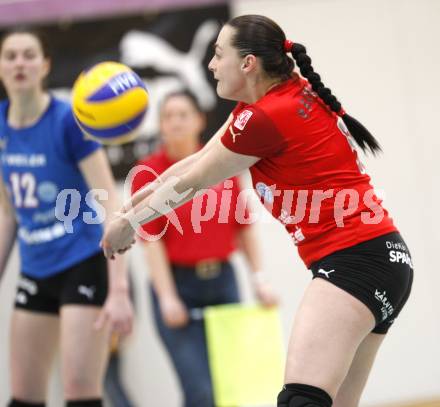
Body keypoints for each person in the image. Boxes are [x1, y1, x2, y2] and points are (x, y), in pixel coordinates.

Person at [102, 14, 414, 407]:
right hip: (383, 260)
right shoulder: (279, 97)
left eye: (218, 55)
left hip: (356, 262)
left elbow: (193, 183)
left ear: (247, 63)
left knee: (300, 399)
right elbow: (196, 161)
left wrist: (131, 225)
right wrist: (127, 209)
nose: (212, 65)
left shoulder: (265, 116)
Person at [0, 28, 133, 407]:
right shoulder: (0, 127)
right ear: (0, 67)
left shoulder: (67, 121)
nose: (19, 63)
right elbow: (8, 213)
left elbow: (112, 205)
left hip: (83, 262)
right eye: (10, 56)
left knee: (79, 391)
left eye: (29, 55)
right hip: (35, 267)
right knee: (23, 395)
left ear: (45, 66)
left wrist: (120, 290)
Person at [131, 90, 277, 407]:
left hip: (223, 282)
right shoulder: (149, 173)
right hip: (177, 284)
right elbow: (150, 243)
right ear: (161, 126)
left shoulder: (223, 164)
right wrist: (168, 297)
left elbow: (243, 230)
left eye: (183, 115)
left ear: (199, 121)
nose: (175, 122)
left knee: (231, 386)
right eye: (168, 117)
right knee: (200, 391)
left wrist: (259, 280)